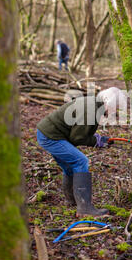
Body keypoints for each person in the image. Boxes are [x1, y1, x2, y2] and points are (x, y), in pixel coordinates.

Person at [36, 87, 126, 217]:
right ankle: (85, 208)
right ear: (109, 102)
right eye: (116, 107)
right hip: (51, 136)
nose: (115, 111)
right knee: (81, 161)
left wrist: (99, 139)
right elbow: (77, 138)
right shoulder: (91, 110)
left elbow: (81, 131)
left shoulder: (94, 104)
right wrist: (96, 142)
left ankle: (72, 201)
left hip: (48, 133)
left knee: (70, 166)